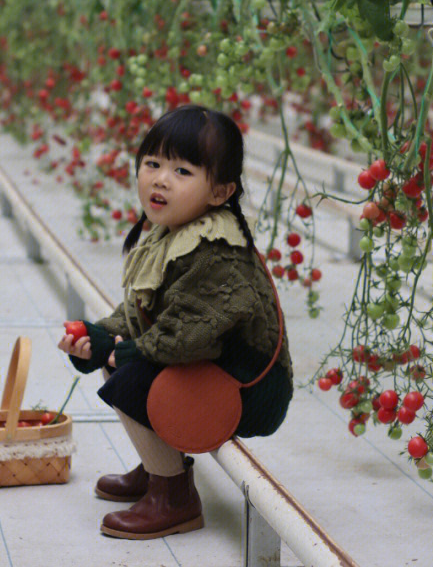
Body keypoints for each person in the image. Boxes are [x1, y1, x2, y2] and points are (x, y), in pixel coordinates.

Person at [57, 104, 293, 540]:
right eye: (152, 164)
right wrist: (99, 336)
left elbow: (190, 334)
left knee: (129, 374)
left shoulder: (214, 249)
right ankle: (156, 469)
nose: (160, 179)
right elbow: (139, 312)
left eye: (183, 171)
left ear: (221, 192)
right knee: (121, 358)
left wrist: (121, 349)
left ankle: (175, 496)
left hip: (251, 385)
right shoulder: (173, 233)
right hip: (212, 366)